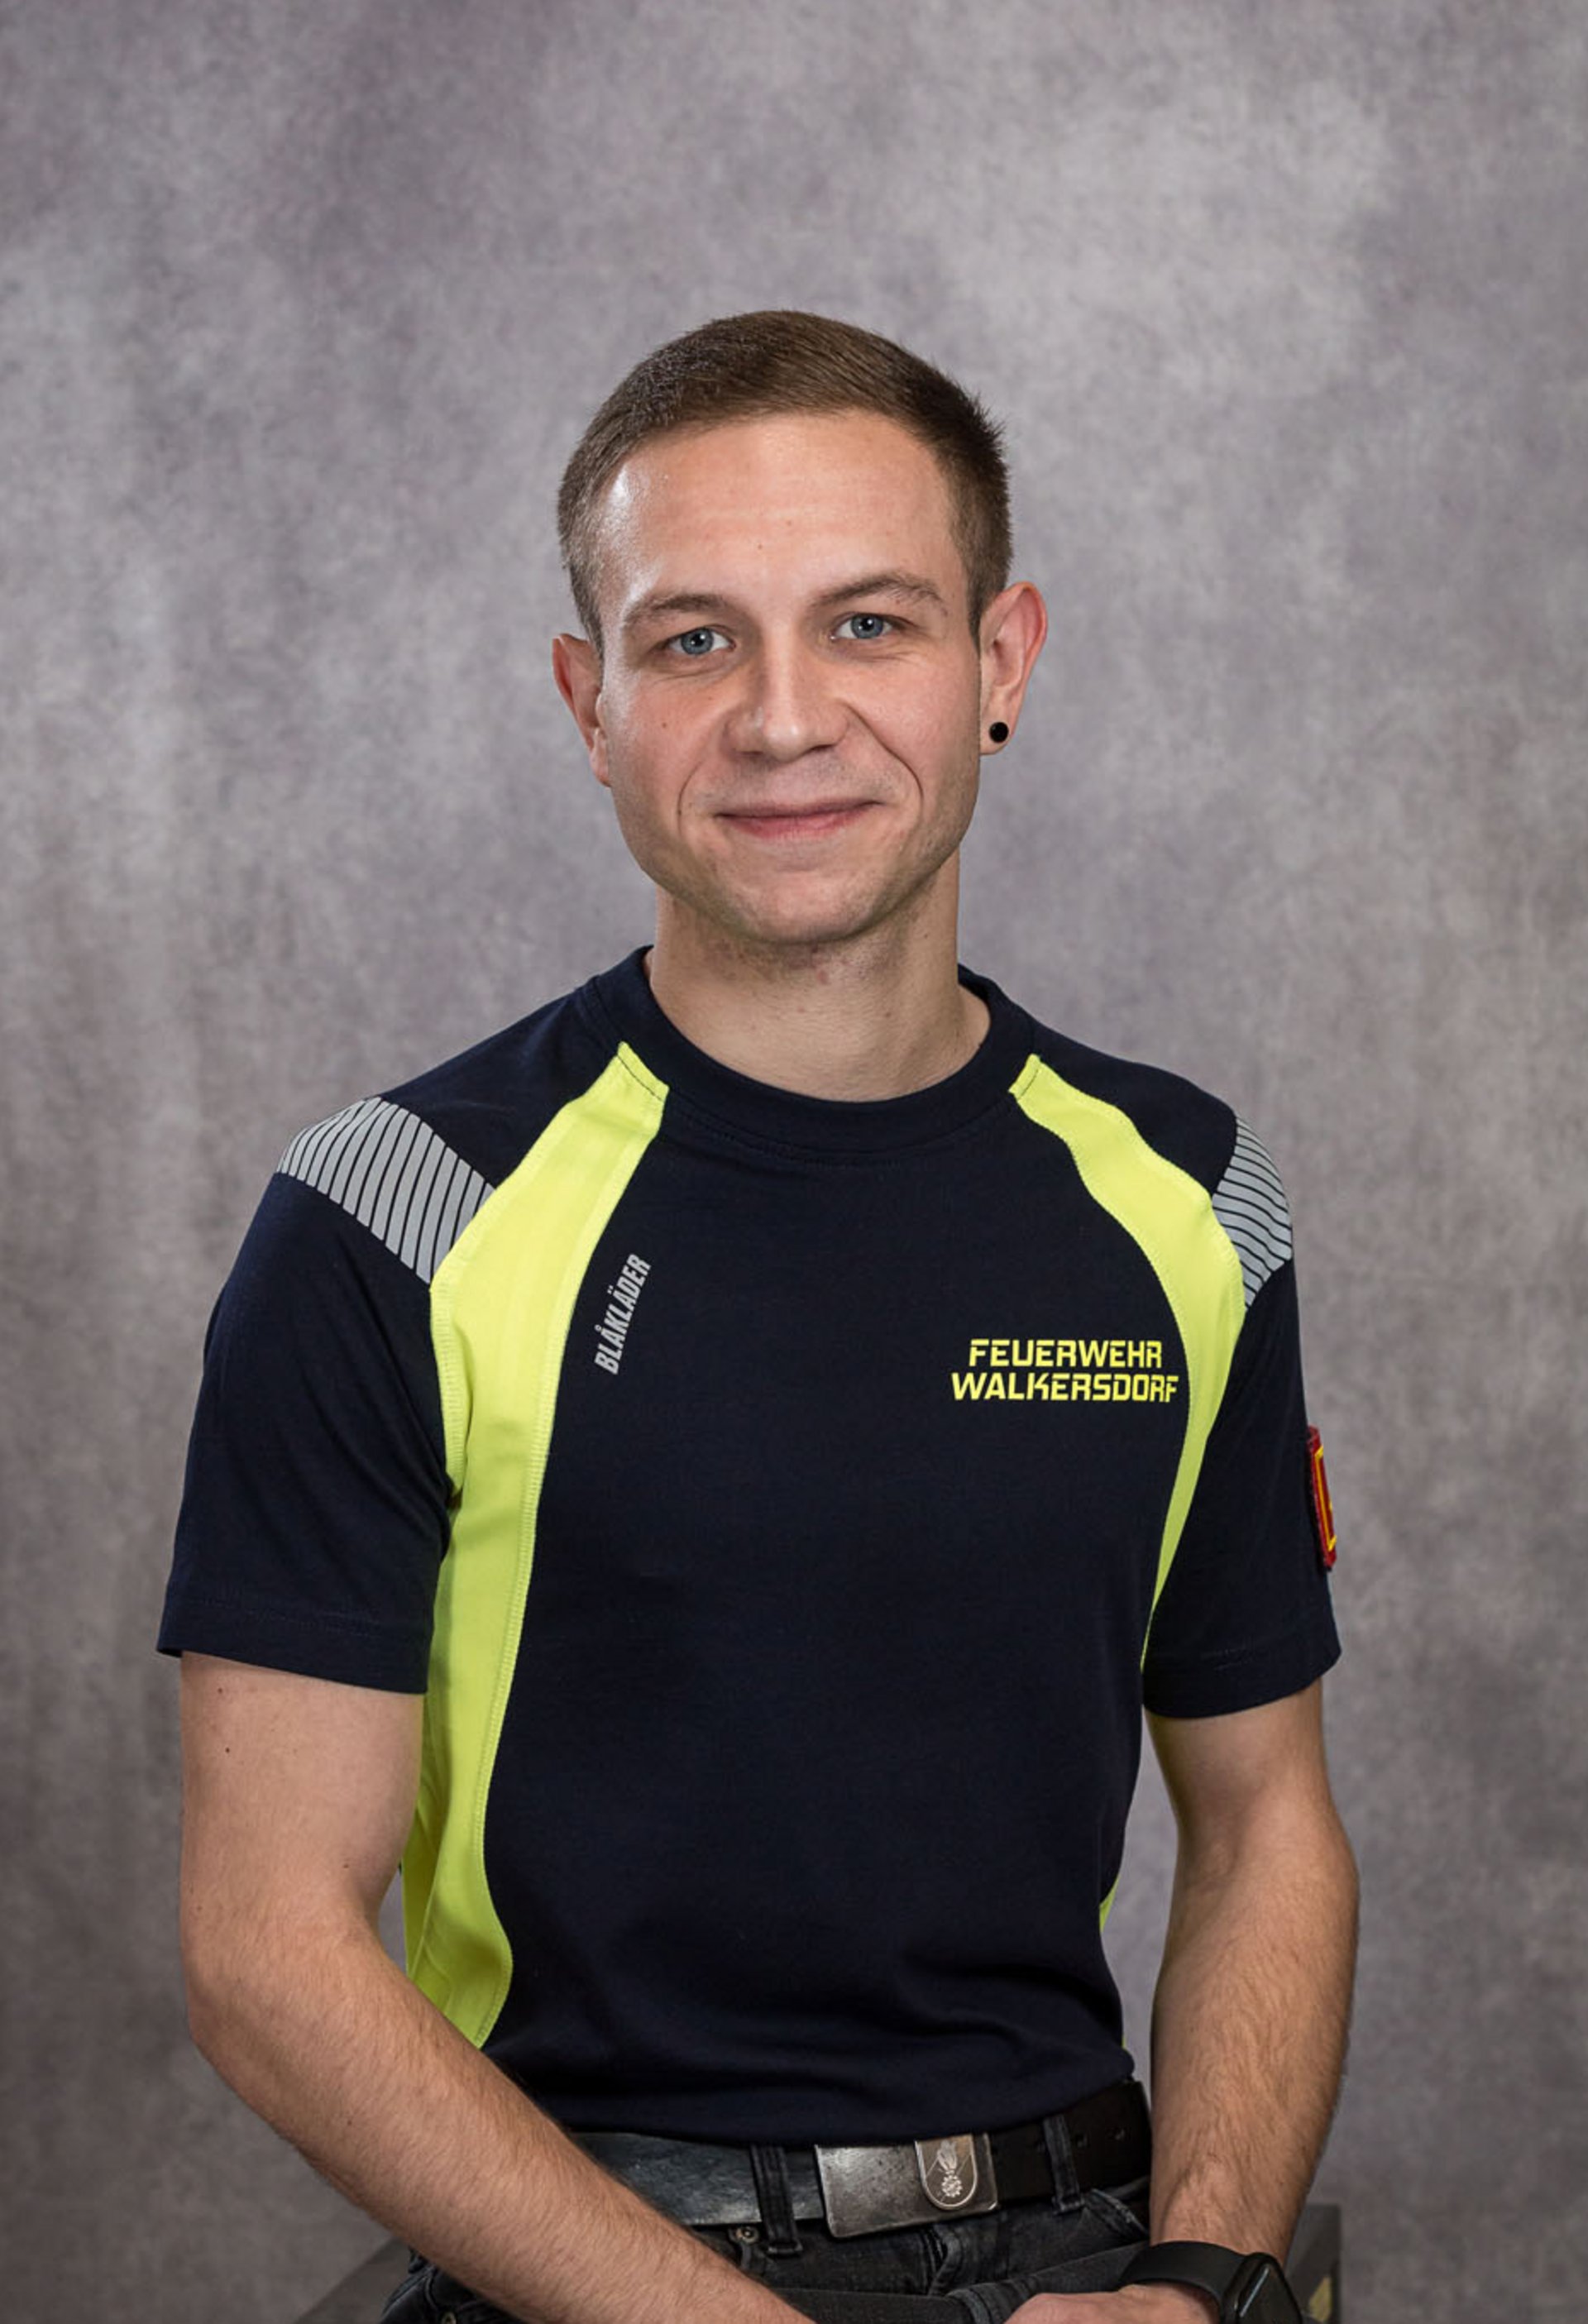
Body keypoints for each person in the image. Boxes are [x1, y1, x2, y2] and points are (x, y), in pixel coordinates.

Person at [160, 311, 1357, 2324]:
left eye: (869, 625)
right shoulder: (396, 1215)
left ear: (1002, 663)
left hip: (1094, 2250)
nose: (785, 719)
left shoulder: (1192, 1200)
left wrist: (1196, 2276)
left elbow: (1265, 1830)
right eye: (695, 638)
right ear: (591, 700)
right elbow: (263, 1950)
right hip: (593, 2268)